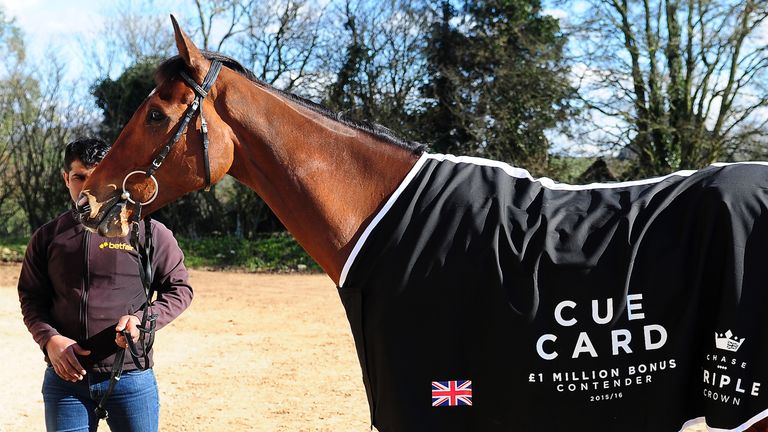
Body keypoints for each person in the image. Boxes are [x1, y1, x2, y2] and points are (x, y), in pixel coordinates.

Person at [18, 137, 194, 432]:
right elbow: (31, 298)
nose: (88, 186)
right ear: (66, 178)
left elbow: (179, 289)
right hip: (67, 383)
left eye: (98, 175)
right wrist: (50, 340)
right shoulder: (47, 237)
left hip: (131, 378)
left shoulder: (148, 231)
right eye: (79, 177)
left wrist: (142, 321)